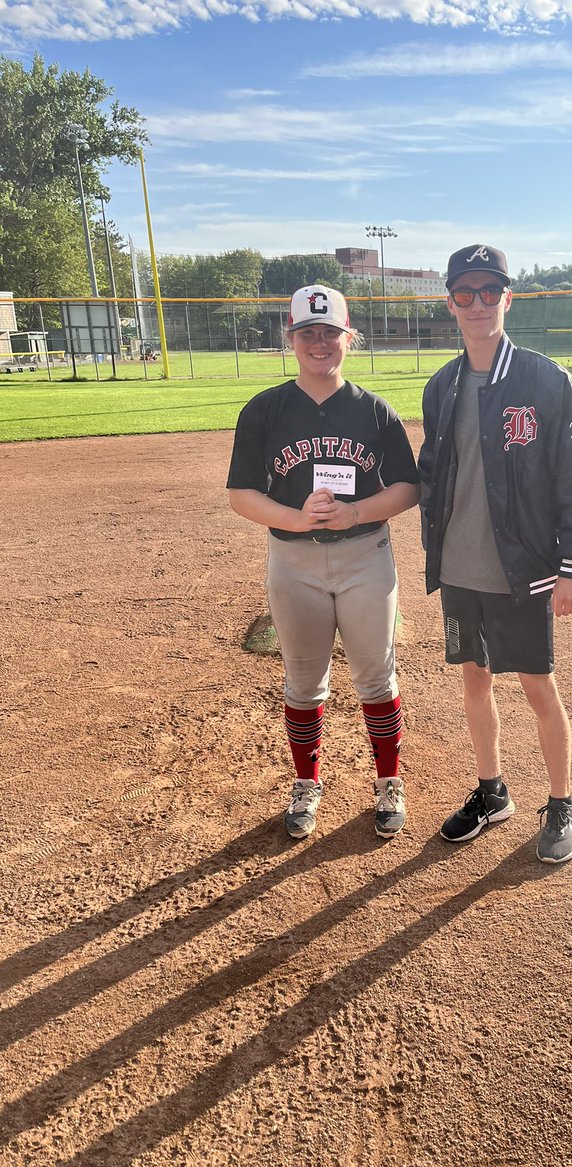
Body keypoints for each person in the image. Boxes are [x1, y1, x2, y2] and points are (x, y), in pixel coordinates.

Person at [418, 244, 572, 865]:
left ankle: (561, 803)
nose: (477, 304)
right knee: (474, 680)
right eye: (464, 293)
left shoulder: (545, 380)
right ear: (450, 303)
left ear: (508, 297)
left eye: (489, 291)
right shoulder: (443, 385)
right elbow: (432, 474)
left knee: (537, 684)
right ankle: (492, 790)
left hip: (526, 571)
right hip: (460, 568)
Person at [227, 285, 420, 840]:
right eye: (307, 333)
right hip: (293, 561)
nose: (319, 343)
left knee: (375, 677)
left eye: (330, 333)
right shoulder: (265, 409)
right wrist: (296, 517)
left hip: (365, 558)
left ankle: (388, 781)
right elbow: (241, 493)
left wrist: (356, 510)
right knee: (304, 680)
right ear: (290, 339)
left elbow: (408, 487)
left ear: (348, 340)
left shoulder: (372, 410)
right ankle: (307, 783)